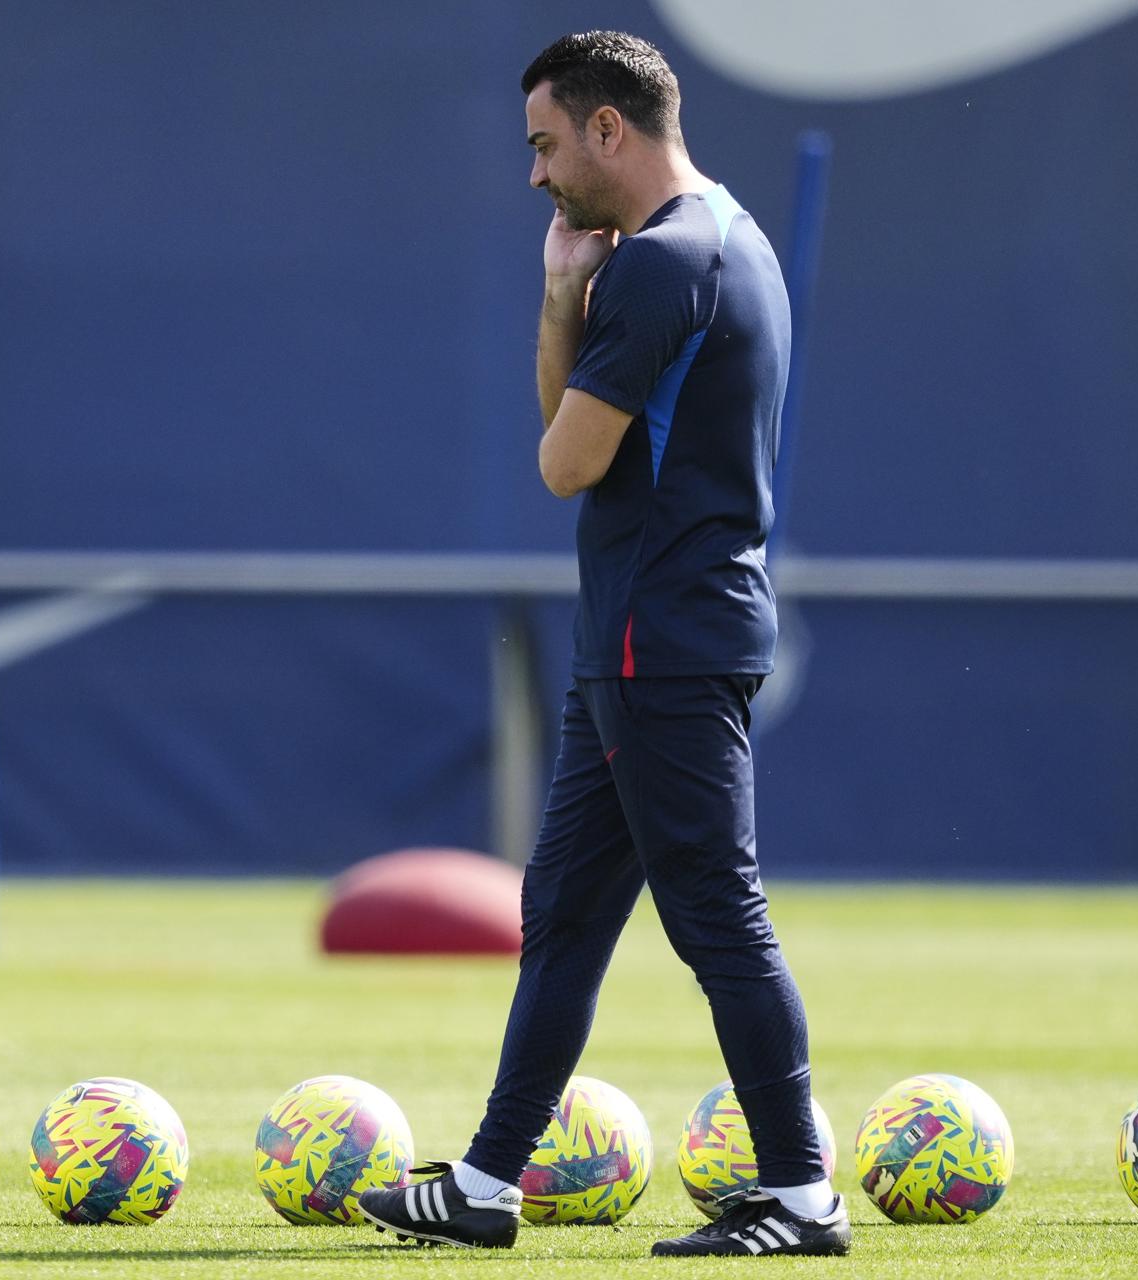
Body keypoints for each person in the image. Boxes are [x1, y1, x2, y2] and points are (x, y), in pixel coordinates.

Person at [357, 32, 850, 1257]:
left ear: (609, 128)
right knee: (565, 913)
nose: (536, 174)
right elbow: (581, 429)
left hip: (660, 639)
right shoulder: (727, 232)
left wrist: (581, 297)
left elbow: (565, 461)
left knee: (715, 912)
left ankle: (801, 1194)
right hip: (658, 630)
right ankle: (483, 1181)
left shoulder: (665, 264)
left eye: (545, 143)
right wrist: (560, 292)